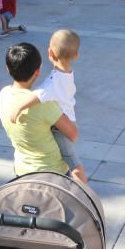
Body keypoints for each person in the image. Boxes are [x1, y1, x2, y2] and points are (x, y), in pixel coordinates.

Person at [10, 31, 85, 182]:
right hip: (68, 118)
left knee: (72, 161)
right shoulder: (68, 73)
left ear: (50, 52)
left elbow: (37, 95)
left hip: (62, 127)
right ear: (76, 55)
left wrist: (18, 108)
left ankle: (84, 191)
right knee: (70, 158)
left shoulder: (53, 82)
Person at [0, 42, 78, 176]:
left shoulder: (3, 95)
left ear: (8, 68)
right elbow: (73, 134)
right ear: (37, 72)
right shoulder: (44, 105)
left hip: (22, 172)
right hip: (53, 174)